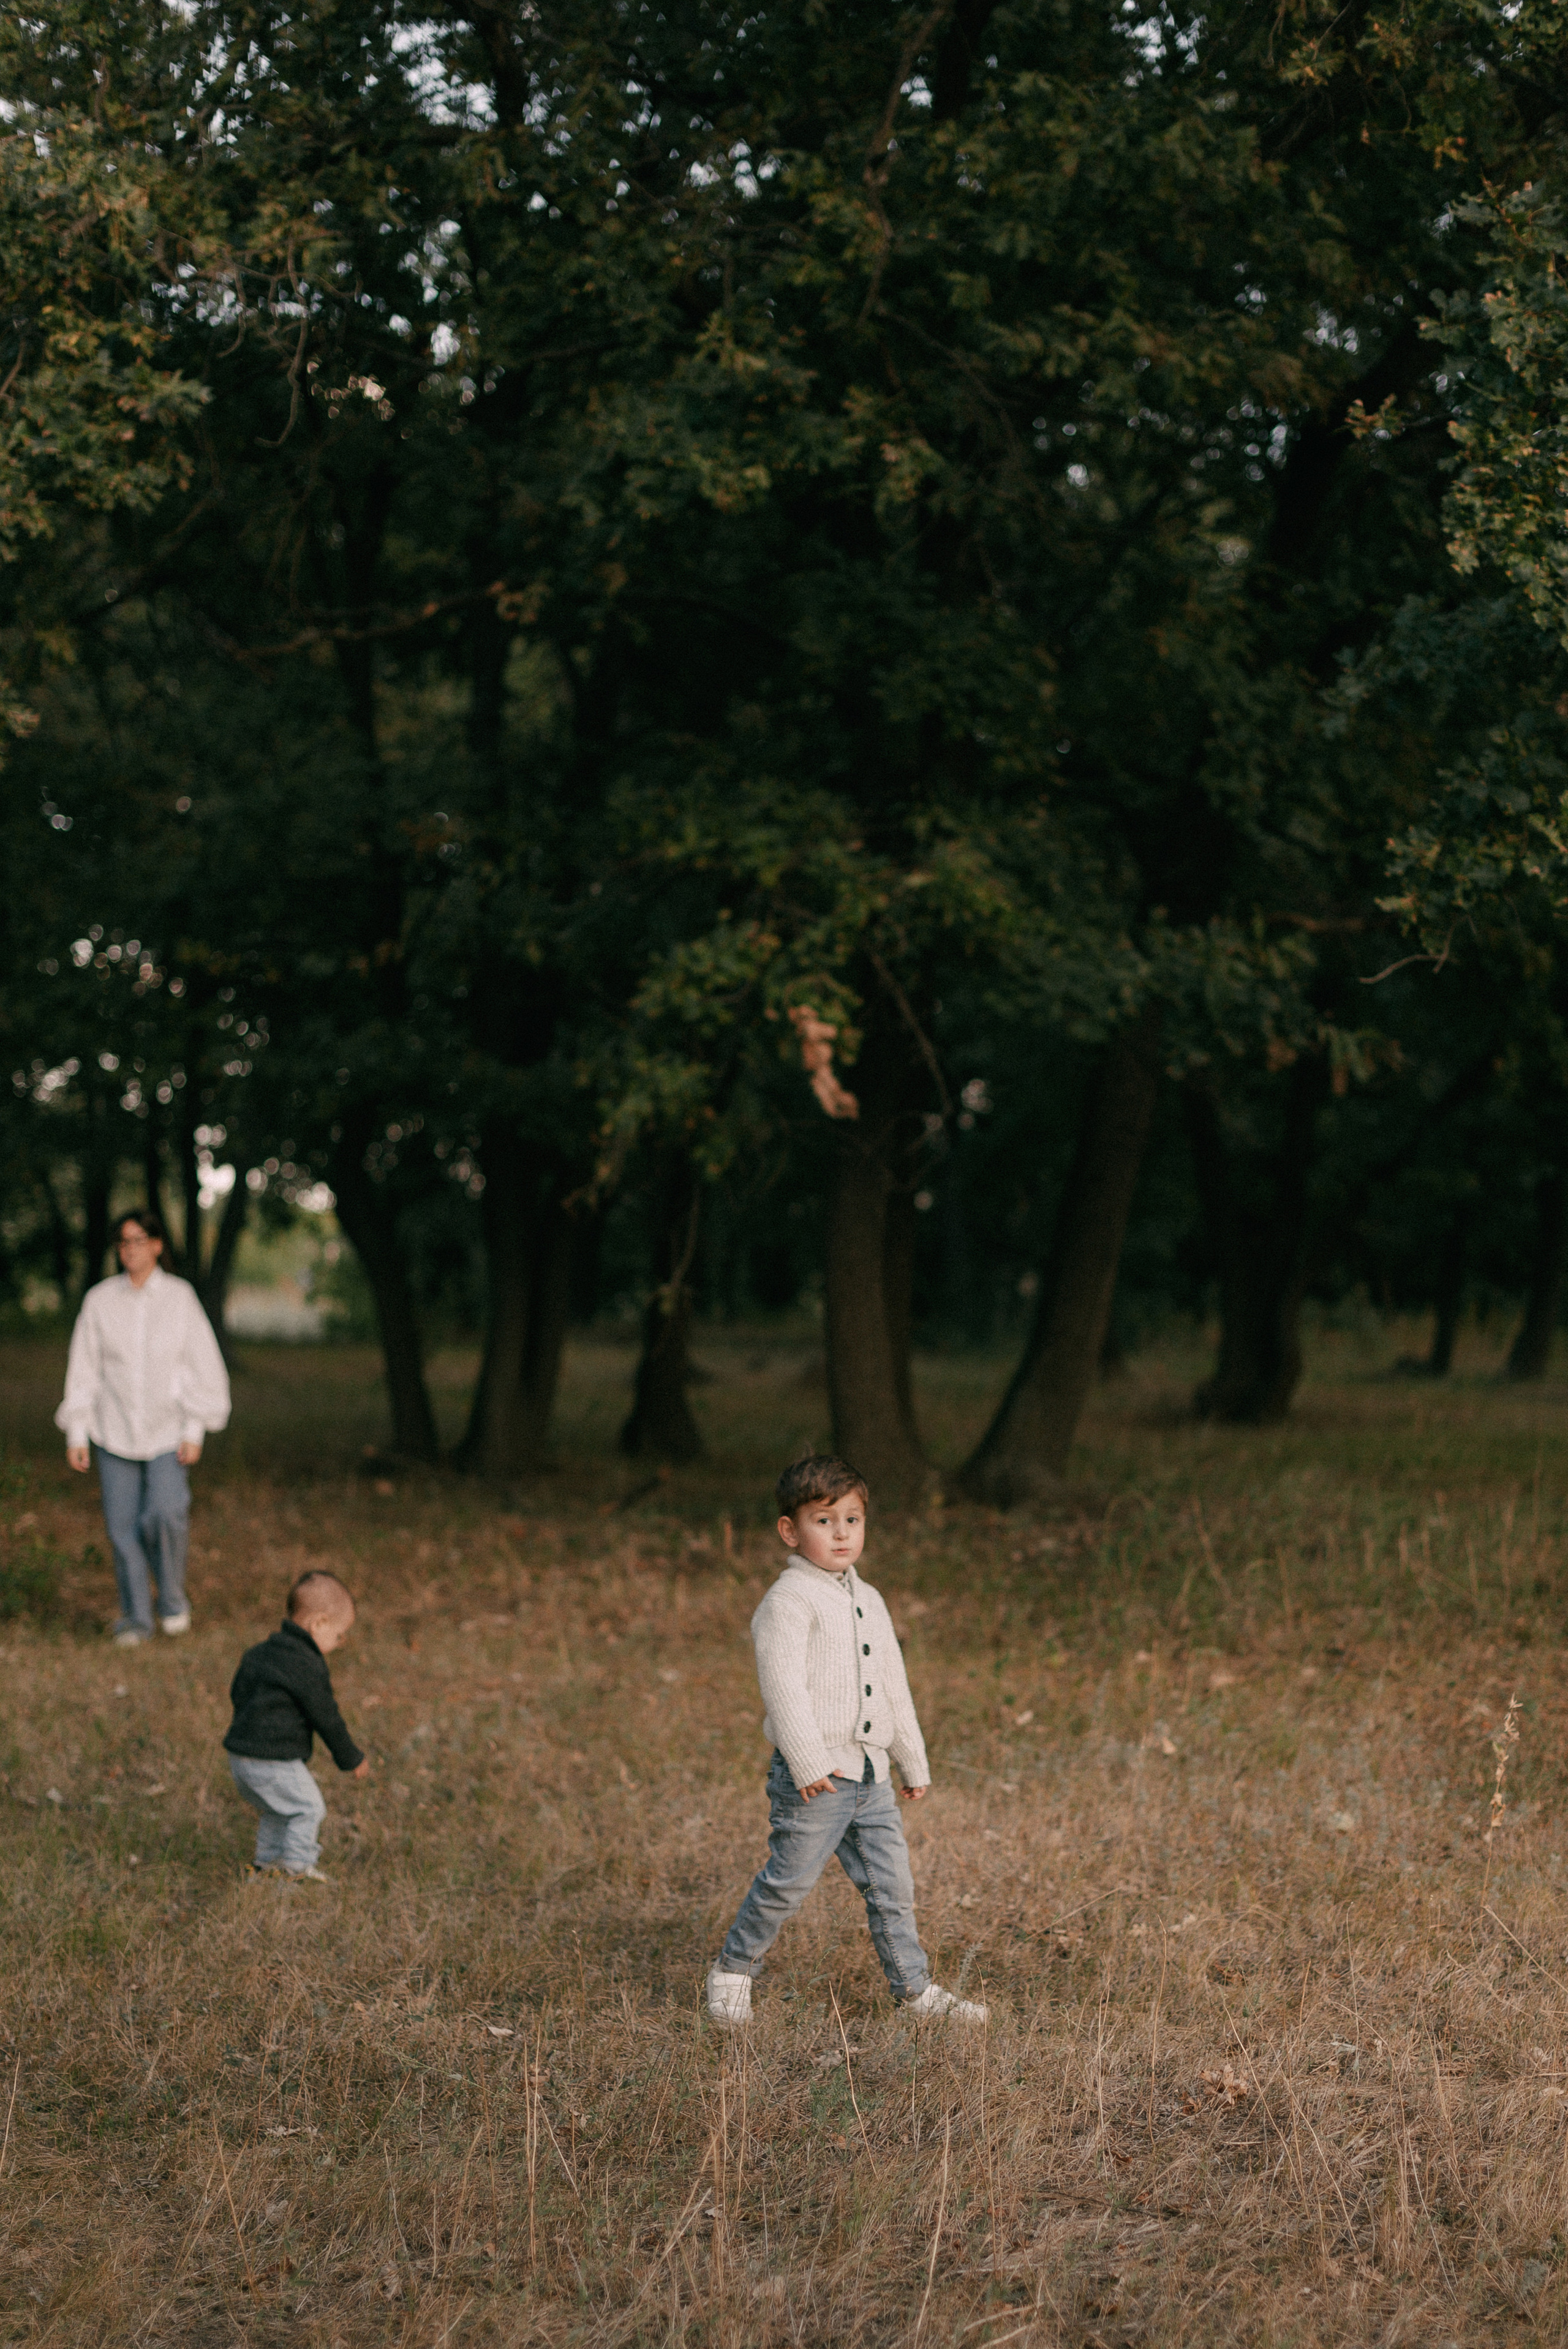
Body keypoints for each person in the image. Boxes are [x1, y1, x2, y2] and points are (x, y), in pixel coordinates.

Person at [706, 1454, 987, 2028]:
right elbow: (783, 1690)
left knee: (892, 1888)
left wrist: (911, 1759)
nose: (841, 1533)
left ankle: (914, 1991)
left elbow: (892, 1685)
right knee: (788, 1882)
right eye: (824, 1520)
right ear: (791, 1530)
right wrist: (809, 1763)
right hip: (817, 1780)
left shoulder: (870, 1599)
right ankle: (733, 1971)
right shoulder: (788, 1602)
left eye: (853, 1520)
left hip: (871, 1778)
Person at [57, 1208, 232, 1647]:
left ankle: (171, 1599)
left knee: (166, 1514)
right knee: (122, 1530)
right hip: (114, 1432)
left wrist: (195, 1429)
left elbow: (202, 1365)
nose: (129, 1250)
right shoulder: (100, 1301)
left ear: (157, 1245)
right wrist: (77, 1433)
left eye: (138, 1241)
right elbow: (84, 1369)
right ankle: (136, 1618)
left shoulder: (180, 1298)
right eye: (122, 1243)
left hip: (167, 1432)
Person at [223, 1570, 370, 1882]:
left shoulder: (259, 1653)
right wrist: (351, 1758)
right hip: (273, 1760)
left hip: (240, 1758)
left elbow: (238, 1692)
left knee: (279, 1810)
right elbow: (327, 1718)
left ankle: (266, 1867)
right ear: (319, 1624)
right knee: (308, 1809)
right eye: (339, 1634)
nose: (340, 1642)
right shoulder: (307, 1664)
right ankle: (296, 1871)